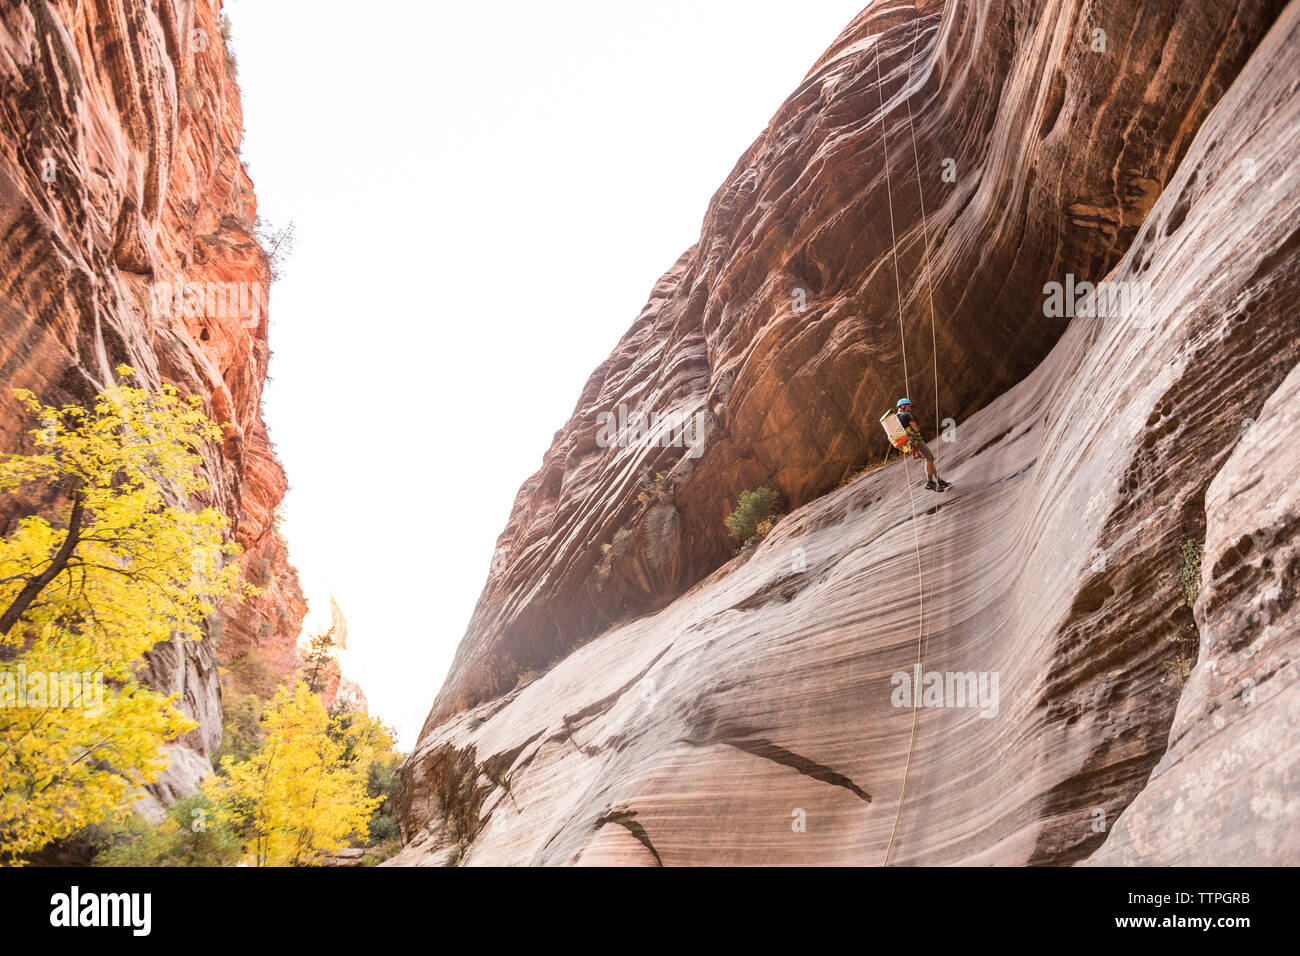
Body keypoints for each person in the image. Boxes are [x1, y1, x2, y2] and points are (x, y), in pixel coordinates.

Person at [896, 398, 950, 492]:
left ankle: (939, 480)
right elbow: (915, 428)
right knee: (930, 458)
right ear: (902, 406)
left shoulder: (896, 418)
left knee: (928, 460)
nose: (910, 408)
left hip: (908, 444)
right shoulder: (907, 414)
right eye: (908, 405)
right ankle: (930, 482)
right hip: (915, 440)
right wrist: (915, 427)